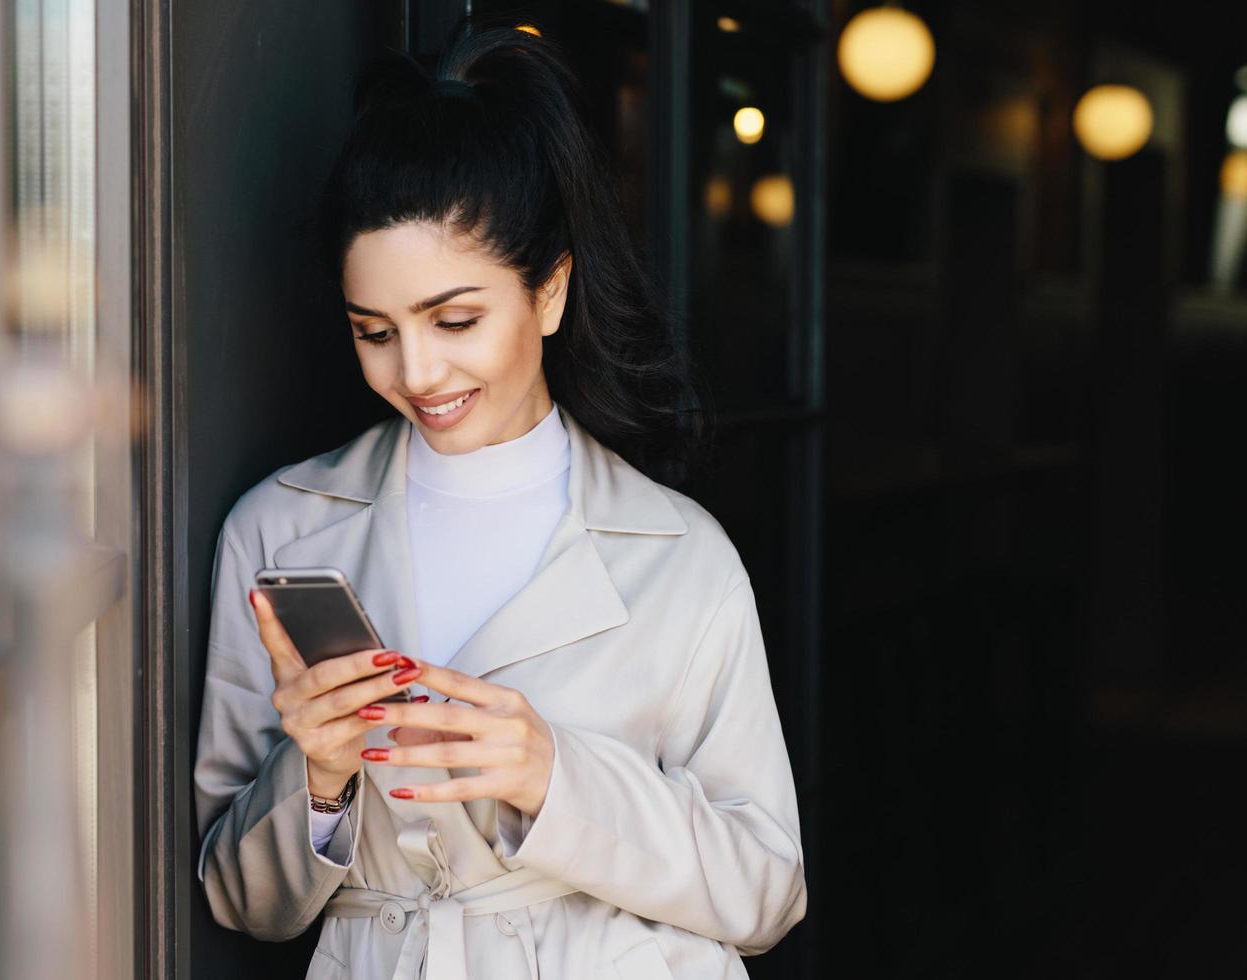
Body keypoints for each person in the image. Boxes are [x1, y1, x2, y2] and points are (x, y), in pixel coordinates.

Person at [191, 22, 807, 980]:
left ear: (551, 290)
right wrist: (314, 780)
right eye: (375, 331)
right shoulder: (278, 531)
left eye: (456, 319)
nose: (418, 370)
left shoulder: (679, 553)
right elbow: (240, 903)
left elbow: (767, 890)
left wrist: (553, 775)